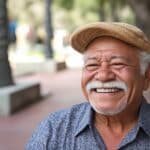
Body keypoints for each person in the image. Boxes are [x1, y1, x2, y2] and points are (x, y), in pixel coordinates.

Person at [26, 22, 150, 150]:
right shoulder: (54, 129)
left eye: (117, 63)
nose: (103, 75)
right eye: (92, 65)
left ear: (146, 76)